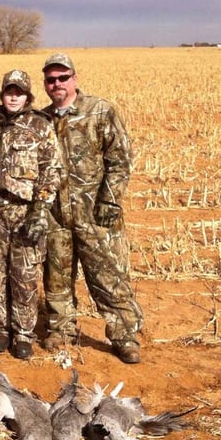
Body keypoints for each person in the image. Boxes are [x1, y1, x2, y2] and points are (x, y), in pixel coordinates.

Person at [40, 53, 144, 364]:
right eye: (51, 79)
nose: (57, 84)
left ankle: (124, 334)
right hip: (55, 214)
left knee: (108, 276)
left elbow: (120, 159)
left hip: (95, 213)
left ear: (74, 78)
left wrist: (110, 200)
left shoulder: (99, 111)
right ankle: (62, 329)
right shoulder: (42, 120)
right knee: (56, 275)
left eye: (63, 77)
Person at [0, 70, 60, 359]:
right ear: (2, 94)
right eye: (9, 91)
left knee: (24, 275)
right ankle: (0, 330)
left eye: (19, 92)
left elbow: (51, 170)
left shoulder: (40, 126)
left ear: (27, 96)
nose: (13, 96)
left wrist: (40, 211)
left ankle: (23, 334)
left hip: (26, 212)